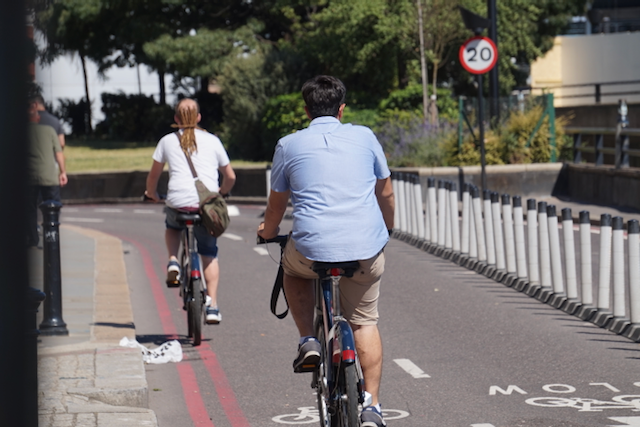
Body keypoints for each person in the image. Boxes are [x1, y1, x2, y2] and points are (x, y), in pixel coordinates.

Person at [257, 75, 394, 427]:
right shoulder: (365, 136)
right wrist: (387, 228)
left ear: (306, 110)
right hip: (365, 249)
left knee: (291, 268)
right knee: (364, 322)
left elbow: (276, 205)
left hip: (312, 250)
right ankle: (372, 406)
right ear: (342, 109)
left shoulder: (288, 145)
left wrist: (267, 232)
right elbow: (386, 193)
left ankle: (308, 340)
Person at [146, 98, 236, 324]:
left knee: (172, 223)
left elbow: (154, 176)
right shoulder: (213, 141)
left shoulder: (166, 141)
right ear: (198, 117)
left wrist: (152, 194)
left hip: (178, 202)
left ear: (176, 119)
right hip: (205, 206)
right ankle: (213, 306)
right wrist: (220, 193)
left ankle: (174, 260)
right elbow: (230, 176)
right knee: (209, 252)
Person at [26, 100, 68, 247]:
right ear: (38, 118)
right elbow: (59, 153)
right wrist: (63, 172)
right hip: (49, 177)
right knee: (53, 208)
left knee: (30, 209)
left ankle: (33, 239)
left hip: (30, 177)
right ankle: (52, 236)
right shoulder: (50, 130)